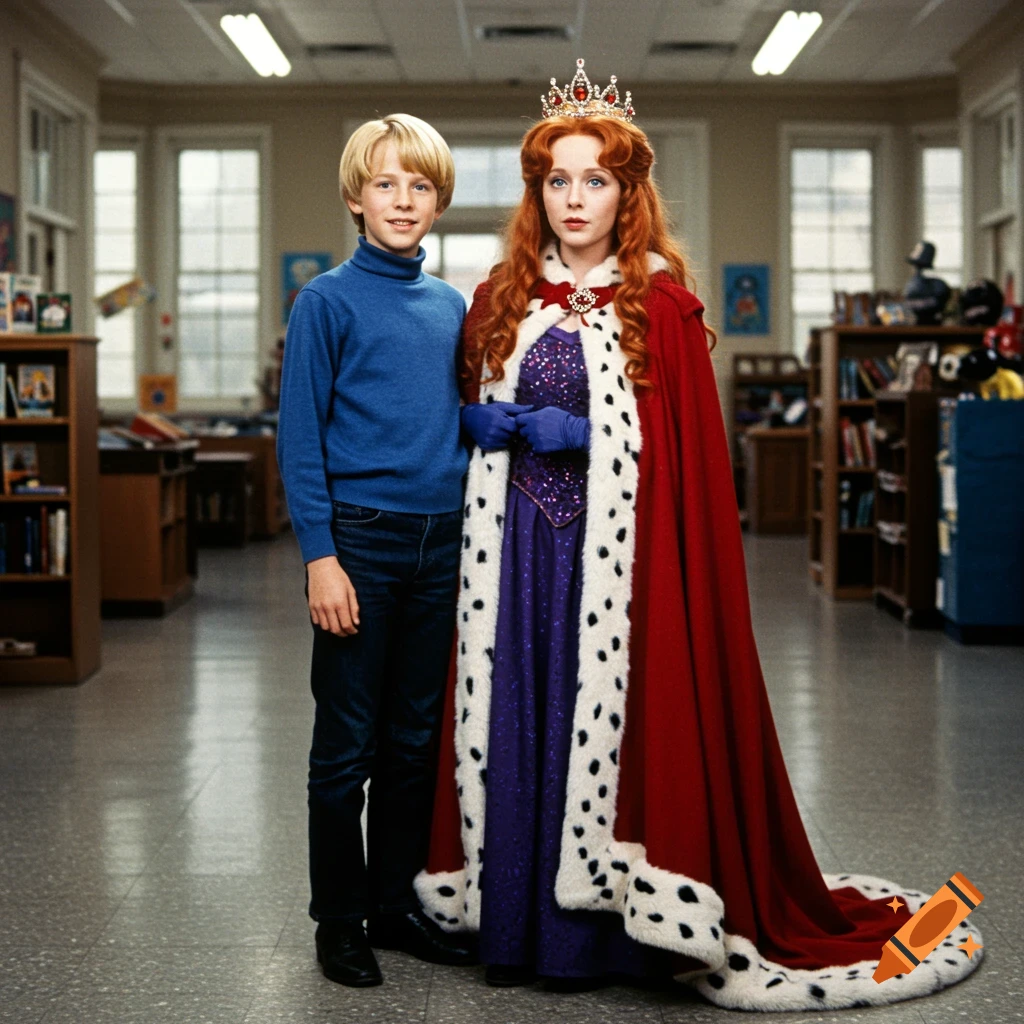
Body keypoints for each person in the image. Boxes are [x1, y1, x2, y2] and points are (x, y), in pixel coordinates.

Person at [414, 61, 982, 1010]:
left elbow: (682, 464)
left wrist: (589, 435)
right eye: (557, 180)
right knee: (518, 720)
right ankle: (513, 926)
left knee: (609, 732)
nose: (574, 199)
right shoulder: (497, 301)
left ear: (628, 191)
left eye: (595, 179)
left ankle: (612, 940)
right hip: (515, 564)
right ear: (536, 191)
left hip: (625, 571)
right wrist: (484, 423)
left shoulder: (662, 306)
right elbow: (468, 414)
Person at [277, 113, 477, 988]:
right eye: (387, 184)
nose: (403, 200)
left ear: (438, 202)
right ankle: (339, 919)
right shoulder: (325, 301)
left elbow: (455, 420)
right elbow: (298, 440)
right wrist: (322, 556)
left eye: (420, 186)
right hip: (360, 542)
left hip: (445, 543)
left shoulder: (451, 307)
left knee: (414, 740)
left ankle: (394, 907)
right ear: (357, 198)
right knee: (346, 745)